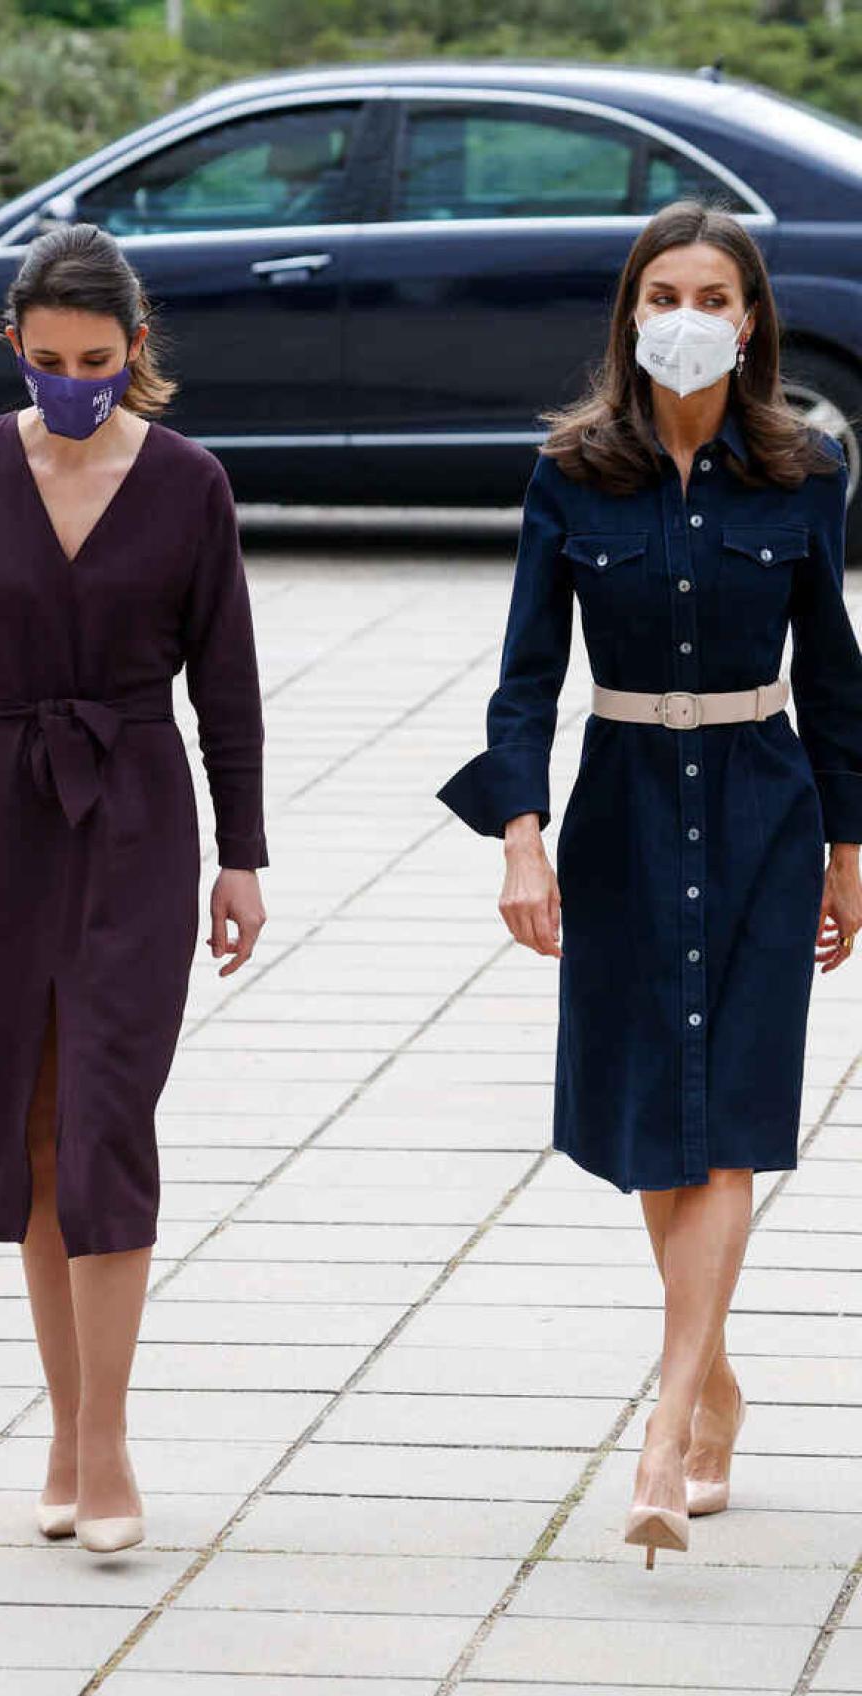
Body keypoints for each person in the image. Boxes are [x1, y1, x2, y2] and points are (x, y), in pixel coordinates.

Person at [436, 199, 862, 1570]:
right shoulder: (569, 472)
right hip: (622, 810)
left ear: (751, 320)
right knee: (653, 1127)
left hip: (763, 811)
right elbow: (522, 679)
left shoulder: (805, 473)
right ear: (632, 313)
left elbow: (839, 679)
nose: (688, 315)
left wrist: (851, 849)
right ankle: (719, 1375)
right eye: (663, 291)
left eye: (714, 294)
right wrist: (519, 832)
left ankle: (665, 1430)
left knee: (727, 1115)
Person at [0, 222, 268, 1554]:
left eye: (96, 360)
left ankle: (106, 1438)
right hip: (2, 810)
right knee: (32, 1119)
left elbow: (226, 680)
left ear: (138, 351)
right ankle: (63, 1421)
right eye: (48, 359)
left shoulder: (188, 484)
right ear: (15, 347)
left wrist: (243, 854)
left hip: (136, 810)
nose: (72, 380)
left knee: (111, 1108)